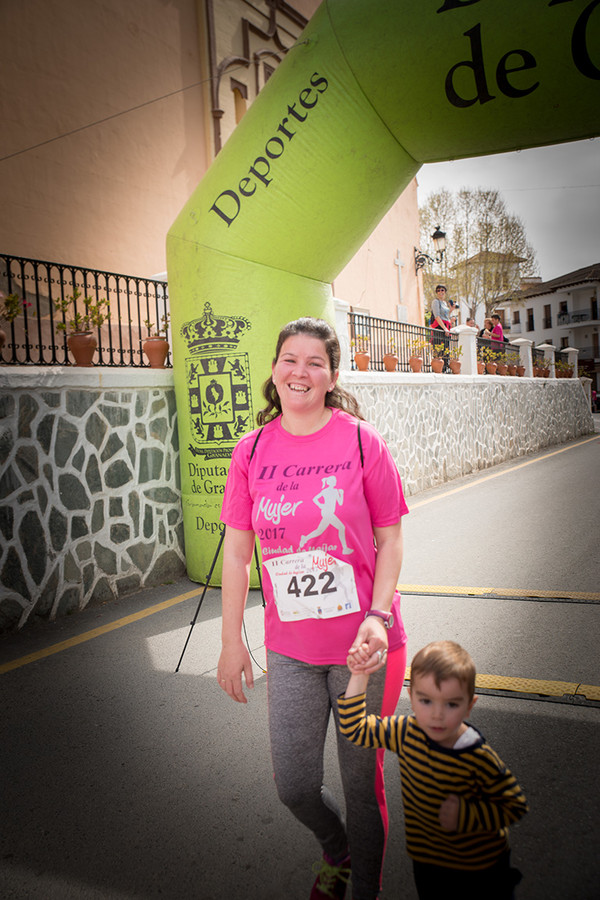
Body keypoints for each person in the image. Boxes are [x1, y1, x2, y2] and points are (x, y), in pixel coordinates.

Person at [217, 317, 410, 900]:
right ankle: (337, 849)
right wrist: (232, 640)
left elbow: (391, 538)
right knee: (295, 787)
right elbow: (236, 554)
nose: (300, 372)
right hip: (293, 650)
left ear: (331, 376)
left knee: (361, 788)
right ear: (274, 370)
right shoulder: (250, 451)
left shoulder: (360, 441)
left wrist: (376, 616)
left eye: (314, 363)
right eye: (289, 360)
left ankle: (362, 891)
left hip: (364, 651)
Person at [337, 640, 529, 900]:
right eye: (426, 701)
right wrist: (359, 675)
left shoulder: (477, 756)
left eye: (451, 704)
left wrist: (467, 815)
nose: (437, 714)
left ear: (470, 705)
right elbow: (354, 728)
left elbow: (515, 805)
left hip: (480, 867)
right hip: (427, 859)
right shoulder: (405, 731)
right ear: (411, 697)